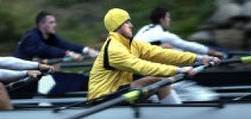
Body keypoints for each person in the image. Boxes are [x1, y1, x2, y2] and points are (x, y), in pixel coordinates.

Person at [88, 8, 219, 103]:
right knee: (158, 80)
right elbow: (141, 66)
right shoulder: (113, 48)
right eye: (127, 22)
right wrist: (178, 70)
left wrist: (199, 58)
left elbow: (162, 53)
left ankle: (171, 109)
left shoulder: (132, 44)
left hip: (117, 89)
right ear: (117, 25)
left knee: (158, 80)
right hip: (102, 98)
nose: (131, 25)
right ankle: (176, 113)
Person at [134, 7, 225, 58]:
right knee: (171, 48)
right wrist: (212, 53)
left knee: (171, 48)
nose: (169, 20)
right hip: (141, 62)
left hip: (135, 58)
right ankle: (206, 57)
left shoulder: (145, 28)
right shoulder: (163, 35)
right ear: (162, 20)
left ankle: (203, 57)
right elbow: (188, 45)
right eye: (168, 17)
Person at [13, 11, 99, 61]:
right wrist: (67, 54)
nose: (55, 25)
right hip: (18, 75)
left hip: (33, 74)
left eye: (54, 22)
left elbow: (66, 44)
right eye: (51, 22)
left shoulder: (50, 37)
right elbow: (43, 50)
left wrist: (87, 50)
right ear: (41, 24)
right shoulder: (31, 37)